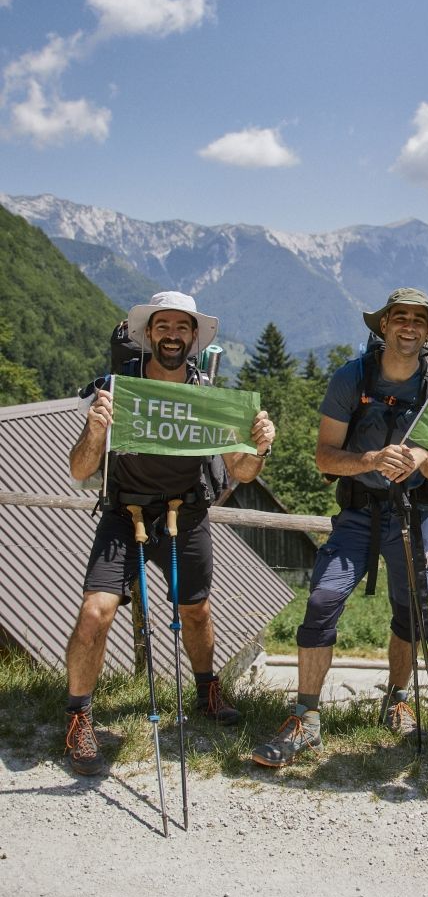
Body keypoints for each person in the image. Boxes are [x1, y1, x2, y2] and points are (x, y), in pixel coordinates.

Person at [64, 291, 276, 776]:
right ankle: (78, 716)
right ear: (148, 333)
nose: (173, 335)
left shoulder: (210, 397)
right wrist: (97, 429)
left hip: (188, 514)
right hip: (122, 514)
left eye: (183, 328)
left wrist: (260, 446)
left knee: (196, 611)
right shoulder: (119, 391)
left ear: (194, 338)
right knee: (95, 613)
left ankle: (207, 690)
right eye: (164, 326)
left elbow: (241, 472)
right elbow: (80, 469)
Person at [252, 287, 428, 767]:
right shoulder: (351, 377)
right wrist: (369, 460)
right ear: (382, 326)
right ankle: (306, 717)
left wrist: (424, 459)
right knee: (322, 599)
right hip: (358, 512)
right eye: (399, 317)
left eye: (418, 320)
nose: (408, 326)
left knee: (411, 610)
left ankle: (398, 698)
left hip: (413, 513)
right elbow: (324, 455)